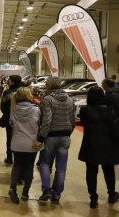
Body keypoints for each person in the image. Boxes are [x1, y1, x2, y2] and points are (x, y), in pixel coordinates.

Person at [33, 76, 75, 204]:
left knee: (45, 163)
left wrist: (40, 138)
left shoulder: (48, 99)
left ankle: (46, 190)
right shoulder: (69, 99)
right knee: (61, 168)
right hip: (65, 137)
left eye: (46, 83)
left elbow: (47, 120)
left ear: (50, 86)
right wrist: (68, 133)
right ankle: (56, 195)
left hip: (50, 136)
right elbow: (73, 120)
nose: (45, 85)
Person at [78, 86, 119, 208]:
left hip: (90, 145)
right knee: (109, 171)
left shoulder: (84, 111)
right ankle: (112, 195)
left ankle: (93, 198)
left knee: (91, 172)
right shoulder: (110, 111)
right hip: (108, 145)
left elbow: (84, 123)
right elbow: (115, 130)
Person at [8, 87, 41, 204]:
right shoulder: (36, 110)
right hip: (31, 144)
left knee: (16, 166)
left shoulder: (13, 108)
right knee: (29, 168)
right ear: (27, 96)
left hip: (17, 143)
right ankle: (25, 193)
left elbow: (11, 123)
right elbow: (39, 125)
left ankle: (12, 188)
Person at [0, 75, 22, 165]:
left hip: (10, 120)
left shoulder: (7, 93)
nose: (8, 81)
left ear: (12, 82)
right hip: (23, 120)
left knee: (9, 139)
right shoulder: (24, 92)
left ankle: (9, 158)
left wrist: (8, 113)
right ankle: (19, 159)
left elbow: (2, 107)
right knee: (21, 138)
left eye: (9, 80)